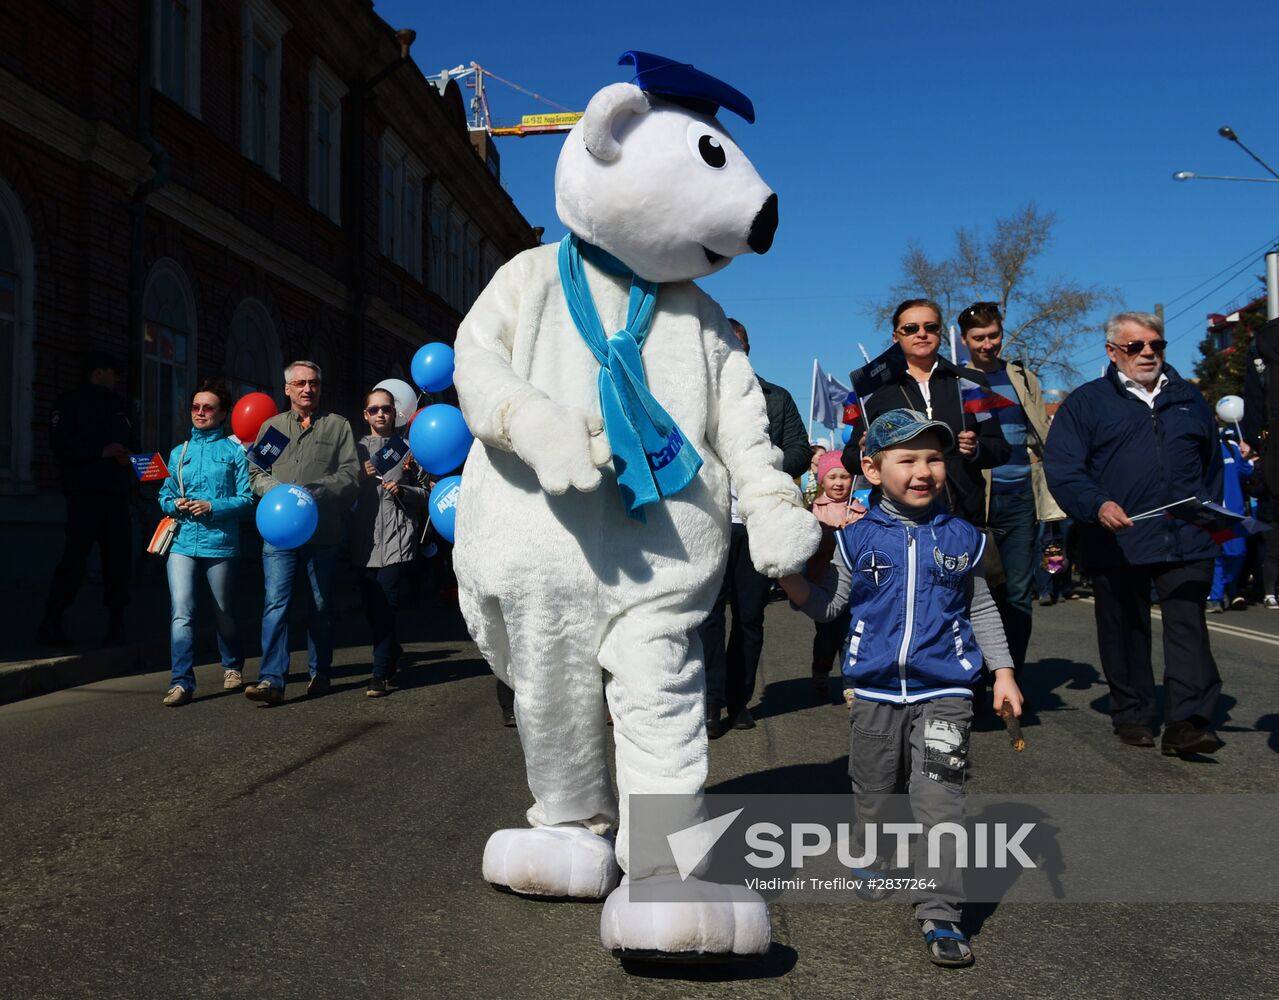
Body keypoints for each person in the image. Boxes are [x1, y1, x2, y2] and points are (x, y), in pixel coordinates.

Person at [779, 408, 1022, 969]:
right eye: (907, 459)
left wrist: (1003, 672)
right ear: (871, 467)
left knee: (941, 803)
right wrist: (792, 582)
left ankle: (940, 912)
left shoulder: (965, 537)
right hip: (873, 694)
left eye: (934, 458)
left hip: (947, 695)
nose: (923, 471)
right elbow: (830, 606)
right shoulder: (853, 539)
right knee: (873, 791)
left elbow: (982, 607)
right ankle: (873, 850)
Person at [1045, 311, 1224, 755]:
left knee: (1187, 626)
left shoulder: (1189, 398)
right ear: (1112, 351)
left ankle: (1188, 720)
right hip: (1116, 538)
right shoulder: (1086, 403)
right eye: (1136, 346)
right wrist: (1097, 505)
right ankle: (1132, 712)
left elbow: (1212, 467)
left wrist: (1210, 518)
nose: (1148, 353)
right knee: (1124, 628)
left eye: (1156, 345)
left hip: (1186, 536)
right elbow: (1065, 469)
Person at [699, 318, 809, 737]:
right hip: (710, 522)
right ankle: (711, 701)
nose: (730, 351)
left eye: (738, 344)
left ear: (748, 348)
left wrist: (764, 463)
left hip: (757, 520)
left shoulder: (775, 398)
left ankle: (740, 700)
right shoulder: (697, 398)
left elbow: (800, 450)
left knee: (749, 617)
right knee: (708, 617)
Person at [246, 361, 360, 705]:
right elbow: (256, 472)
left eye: (312, 383)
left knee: (321, 604)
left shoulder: (336, 426)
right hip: (278, 533)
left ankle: (319, 671)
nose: (307, 389)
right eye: (299, 384)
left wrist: (315, 491)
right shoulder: (274, 428)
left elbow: (351, 475)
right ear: (287, 389)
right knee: (275, 603)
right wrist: (276, 492)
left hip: (321, 531)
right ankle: (271, 680)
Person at [959, 300, 1063, 671]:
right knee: (976, 593)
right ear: (964, 339)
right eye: (978, 338)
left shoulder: (1022, 377)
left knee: (1018, 595)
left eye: (994, 336)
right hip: (977, 502)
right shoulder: (957, 380)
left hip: (1022, 496)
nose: (988, 344)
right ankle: (977, 675)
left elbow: (1045, 434)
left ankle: (1009, 676)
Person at [843, 299, 1010, 528]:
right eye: (911, 329)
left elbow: (1000, 449)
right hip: (897, 523)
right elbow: (850, 457)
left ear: (940, 333)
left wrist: (976, 449)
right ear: (896, 337)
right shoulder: (874, 390)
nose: (922, 334)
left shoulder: (970, 382)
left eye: (930, 327)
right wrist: (865, 451)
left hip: (963, 518)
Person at [158, 381, 256, 706]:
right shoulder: (179, 451)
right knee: (181, 611)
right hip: (182, 541)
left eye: (208, 407)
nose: (200, 413)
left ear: (223, 413)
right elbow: (164, 495)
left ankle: (232, 663)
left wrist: (213, 507)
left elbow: (246, 499)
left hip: (222, 543)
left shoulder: (233, 453)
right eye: (196, 407)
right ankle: (181, 682)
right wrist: (176, 505)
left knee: (223, 611)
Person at [38, 351, 139, 647]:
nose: (117, 378)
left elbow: (132, 443)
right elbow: (60, 445)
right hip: (84, 494)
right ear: (97, 372)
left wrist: (128, 457)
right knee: (74, 560)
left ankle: (116, 625)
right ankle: (51, 622)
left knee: (118, 562)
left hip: (116, 495)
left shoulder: (120, 407)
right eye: (112, 372)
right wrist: (99, 452)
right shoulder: (70, 403)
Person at [353, 388, 429, 697]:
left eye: (386, 409)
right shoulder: (354, 450)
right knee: (372, 609)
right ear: (365, 415)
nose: (380, 414)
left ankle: (379, 674)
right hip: (363, 540)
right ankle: (392, 649)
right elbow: (338, 491)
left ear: (395, 413)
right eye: (374, 410)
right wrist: (357, 475)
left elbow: (426, 492)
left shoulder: (410, 448)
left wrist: (404, 491)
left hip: (399, 536)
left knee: (387, 604)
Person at [805, 448, 866, 701]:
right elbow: (810, 543)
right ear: (822, 481)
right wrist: (833, 534)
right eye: (832, 477)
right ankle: (820, 669)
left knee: (852, 635)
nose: (839, 483)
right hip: (824, 582)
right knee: (827, 636)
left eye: (844, 477)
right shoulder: (814, 510)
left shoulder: (860, 510)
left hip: (855, 586)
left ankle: (850, 683)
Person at [1207, 428, 1253, 613]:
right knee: (1217, 555)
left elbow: (1246, 472)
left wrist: (1245, 456)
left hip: (1234, 511)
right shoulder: (1203, 446)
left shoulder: (1231, 446)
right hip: (1213, 511)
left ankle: (1227, 586)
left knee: (1238, 552)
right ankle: (1215, 597)